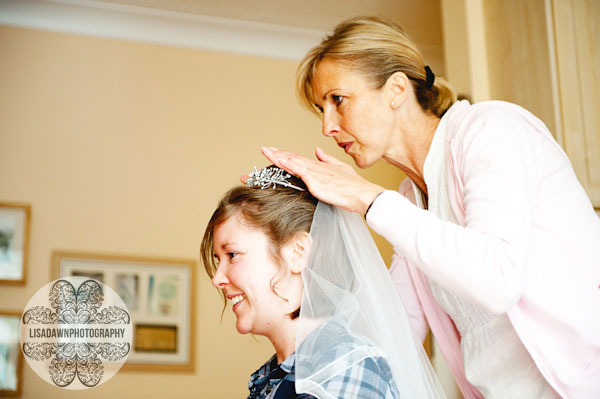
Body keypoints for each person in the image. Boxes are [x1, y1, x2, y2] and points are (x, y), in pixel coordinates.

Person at [253, 16, 600, 399]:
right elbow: (392, 331)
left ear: (397, 89)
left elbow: (497, 278)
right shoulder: (409, 199)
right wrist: (274, 302)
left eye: (337, 100)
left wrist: (368, 198)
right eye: (322, 109)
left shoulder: (490, 130)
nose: (328, 126)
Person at [201, 166, 446, 398]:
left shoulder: (346, 371)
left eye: (232, 255)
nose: (217, 279)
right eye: (218, 259)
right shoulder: (274, 376)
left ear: (297, 252)